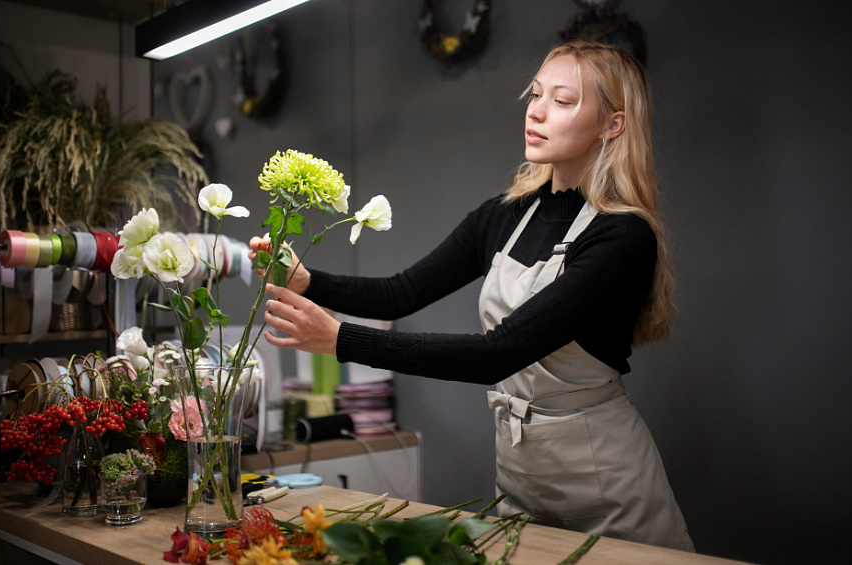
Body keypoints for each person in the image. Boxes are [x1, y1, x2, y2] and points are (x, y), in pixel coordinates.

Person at [250, 40, 695, 552]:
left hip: (606, 480)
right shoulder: (503, 216)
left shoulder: (622, 236)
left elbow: (499, 353)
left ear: (612, 124)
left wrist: (340, 340)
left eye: (564, 101)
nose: (537, 111)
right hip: (521, 473)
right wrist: (310, 282)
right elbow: (402, 293)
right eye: (535, 94)